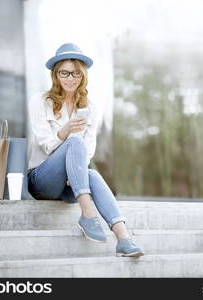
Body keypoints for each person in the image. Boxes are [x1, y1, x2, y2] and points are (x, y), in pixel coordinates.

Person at [27, 42, 144, 257]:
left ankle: (123, 239)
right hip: (42, 179)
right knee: (75, 143)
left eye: (75, 73)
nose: (70, 78)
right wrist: (65, 131)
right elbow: (45, 144)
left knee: (91, 172)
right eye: (64, 73)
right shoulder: (39, 101)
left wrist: (75, 170)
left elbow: (88, 153)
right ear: (55, 75)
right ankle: (88, 212)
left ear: (83, 76)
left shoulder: (91, 108)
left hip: (71, 186)